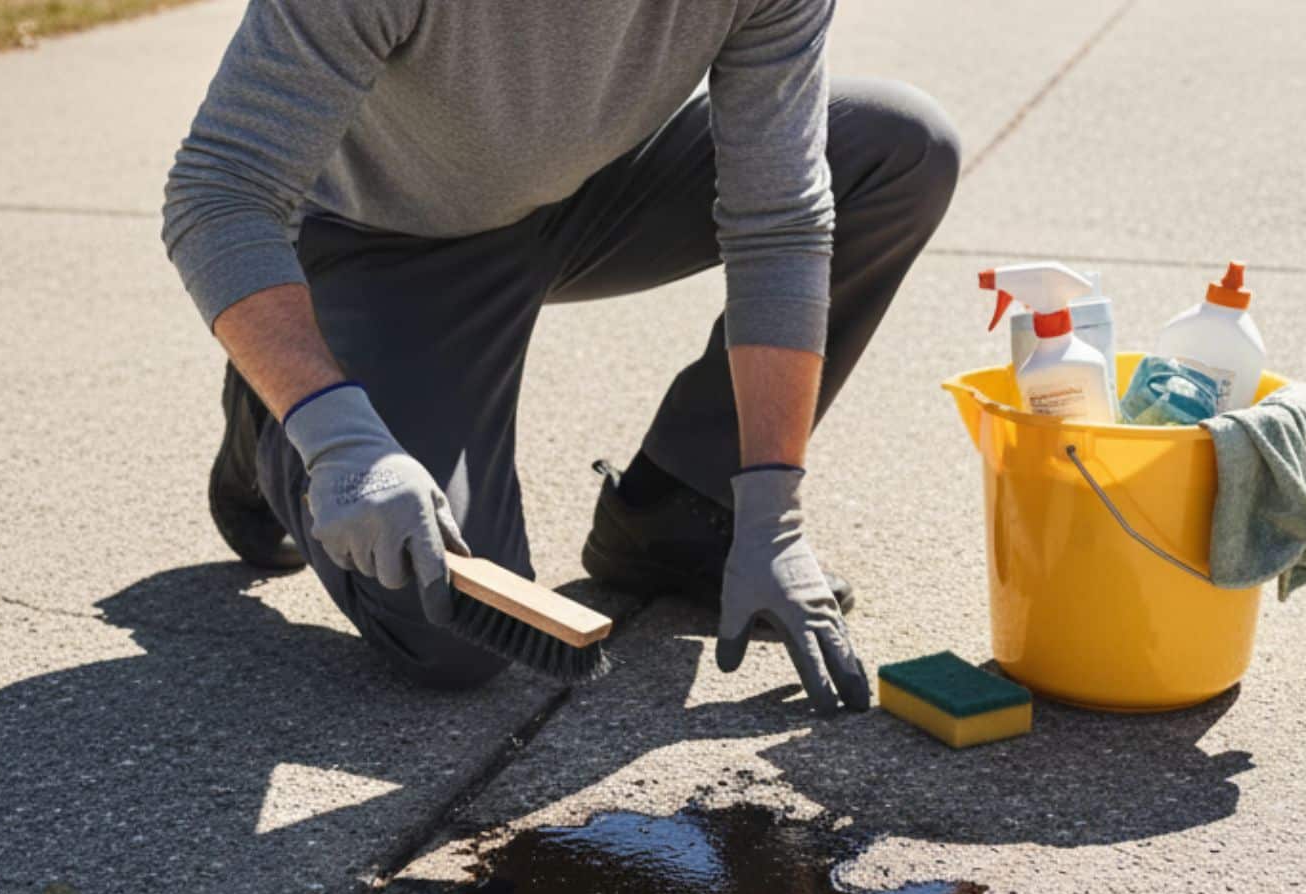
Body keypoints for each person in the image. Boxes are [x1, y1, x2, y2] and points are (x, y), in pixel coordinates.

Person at [166, 0, 961, 711]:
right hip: (386, 240)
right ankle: (284, 402)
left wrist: (772, 509)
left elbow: (781, 222)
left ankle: (679, 511)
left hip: (591, 192)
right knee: (456, 632)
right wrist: (338, 435)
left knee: (901, 147)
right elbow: (221, 189)